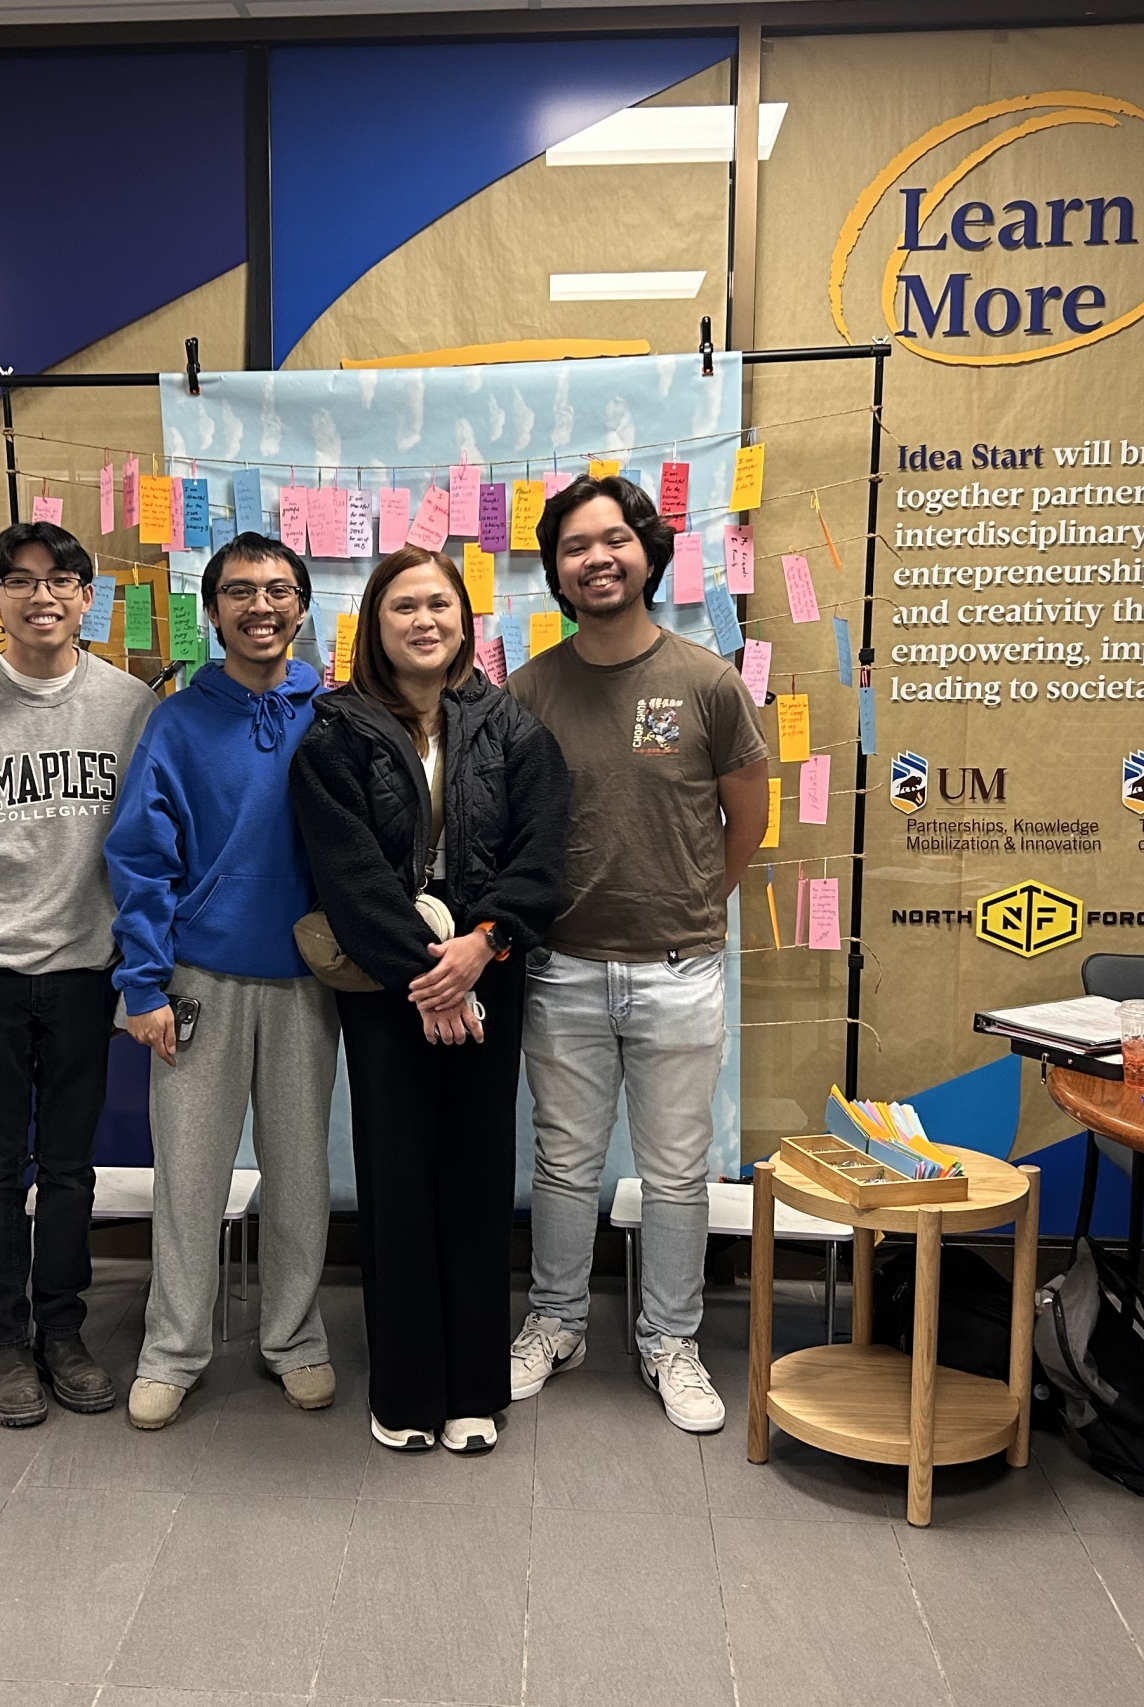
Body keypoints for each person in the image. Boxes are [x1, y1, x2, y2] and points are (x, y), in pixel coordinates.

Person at [506, 475, 770, 1433]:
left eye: (614, 539)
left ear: (649, 553)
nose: (597, 558)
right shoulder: (529, 689)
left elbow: (749, 811)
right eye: (576, 546)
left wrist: (698, 901)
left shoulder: (707, 679)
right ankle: (556, 1320)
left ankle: (669, 1339)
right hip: (563, 967)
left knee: (673, 1171)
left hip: (678, 969)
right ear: (558, 571)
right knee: (566, 1165)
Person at [290, 546, 568, 1455]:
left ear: (464, 619)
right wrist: (429, 972)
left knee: (479, 1175)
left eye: (438, 604)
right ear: (375, 622)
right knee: (397, 1176)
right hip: (384, 987)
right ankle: (407, 1389)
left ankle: (474, 1386)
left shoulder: (511, 726)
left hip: (490, 973)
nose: (423, 620)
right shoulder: (336, 729)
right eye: (403, 605)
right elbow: (346, 869)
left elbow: (543, 853)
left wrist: (480, 948)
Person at [0, 519, 154, 1429]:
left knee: (73, 1165)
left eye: (62, 579)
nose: (42, 594)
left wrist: (142, 976)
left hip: (90, 970)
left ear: (89, 597)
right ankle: (5, 1338)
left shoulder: (132, 708)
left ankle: (64, 1328)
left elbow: (149, 851)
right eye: (21, 580)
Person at [105, 533, 340, 1429]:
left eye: (279, 590)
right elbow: (137, 859)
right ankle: (173, 1347)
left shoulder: (336, 712)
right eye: (239, 591)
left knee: (299, 1174)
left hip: (307, 984)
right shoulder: (175, 721)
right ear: (212, 611)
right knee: (190, 1179)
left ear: (303, 606)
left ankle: (295, 1337)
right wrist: (143, 983)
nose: (261, 606)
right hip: (196, 979)